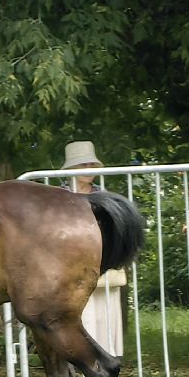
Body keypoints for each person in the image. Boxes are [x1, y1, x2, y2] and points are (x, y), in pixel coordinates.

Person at [61, 140, 126, 357]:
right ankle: (80, 358)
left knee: (104, 312)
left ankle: (105, 358)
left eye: (91, 164)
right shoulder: (58, 197)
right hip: (70, 263)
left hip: (102, 261)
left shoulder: (105, 196)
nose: (88, 169)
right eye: (83, 165)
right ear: (71, 168)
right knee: (79, 313)